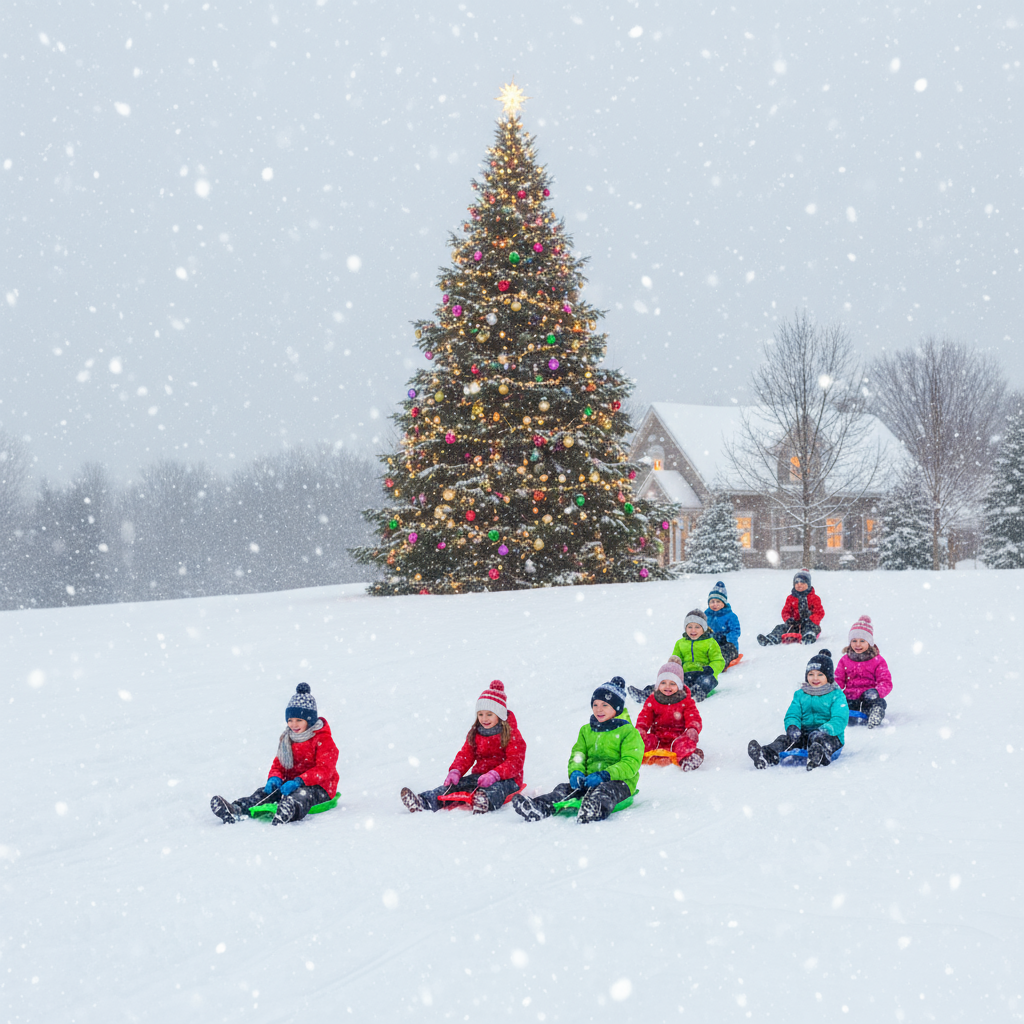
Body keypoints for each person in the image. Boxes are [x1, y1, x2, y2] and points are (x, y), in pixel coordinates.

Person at [513, 678, 643, 824]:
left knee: (605, 791)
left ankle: (593, 809)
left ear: (617, 708)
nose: (599, 709)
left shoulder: (629, 732)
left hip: (619, 782)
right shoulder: (586, 730)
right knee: (563, 789)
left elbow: (631, 762)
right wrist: (576, 772)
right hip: (588, 780)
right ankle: (539, 807)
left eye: (605, 705)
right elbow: (578, 755)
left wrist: (606, 775)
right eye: (595, 704)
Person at [210, 682, 340, 826]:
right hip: (290, 784)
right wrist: (274, 778)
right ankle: (237, 808)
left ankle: (288, 810)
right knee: (265, 793)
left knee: (304, 795)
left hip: (320, 787)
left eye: (299, 720)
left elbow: (325, 769)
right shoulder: (287, 739)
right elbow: (278, 764)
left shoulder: (323, 739)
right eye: (290, 720)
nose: (293, 725)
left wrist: (300, 781)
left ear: (309, 720)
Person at [400, 680, 526, 814]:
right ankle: (425, 801)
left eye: (489, 714)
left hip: (508, 779)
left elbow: (515, 762)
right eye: (480, 714)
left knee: (497, 789)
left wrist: (495, 774)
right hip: (479, 776)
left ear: (499, 715)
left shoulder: (512, 735)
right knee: (455, 786)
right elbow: (466, 754)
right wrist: (456, 771)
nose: (484, 718)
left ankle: (484, 802)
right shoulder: (476, 733)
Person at [747, 649, 848, 771]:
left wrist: (825, 729)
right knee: (785, 740)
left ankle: (819, 756)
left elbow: (840, 718)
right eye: (811, 674)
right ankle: (765, 755)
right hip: (804, 734)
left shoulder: (836, 695)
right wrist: (792, 727)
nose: (815, 678)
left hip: (829, 735)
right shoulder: (800, 694)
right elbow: (792, 714)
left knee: (821, 741)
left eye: (820, 674)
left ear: (829, 677)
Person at [628, 609, 725, 704]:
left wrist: (711, 669)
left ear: (704, 629)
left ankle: (695, 694)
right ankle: (648, 694)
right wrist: (674, 662)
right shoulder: (680, 643)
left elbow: (719, 661)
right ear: (685, 628)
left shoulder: (711, 643)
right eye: (690, 627)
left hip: (704, 673)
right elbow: (675, 659)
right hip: (686, 674)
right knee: (669, 683)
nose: (693, 630)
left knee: (705, 681)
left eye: (697, 627)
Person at [635, 662, 704, 770]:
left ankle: (689, 759)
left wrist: (692, 728)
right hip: (657, 738)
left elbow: (693, 716)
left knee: (684, 744)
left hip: (677, 737)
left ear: (679, 686)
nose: (667, 686)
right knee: (642, 741)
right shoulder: (653, 700)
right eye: (663, 683)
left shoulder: (686, 701)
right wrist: (641, 728)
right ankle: (634, 755)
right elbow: (645, 716)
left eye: (672, 683)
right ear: (658, 685)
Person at [835, 615, 892, 729]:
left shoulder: (878, 661)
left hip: (869, 696)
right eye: (854, 640)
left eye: (862, 641)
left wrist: (876, 692)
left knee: (878, 703)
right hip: (851, 696)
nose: (858, 644)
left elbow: (885, 682)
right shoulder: (845, 660)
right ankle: (843, 715)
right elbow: (838, 679)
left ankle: (875, 713)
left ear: (869, 643)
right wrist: (833, 688)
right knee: (843, 705)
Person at [756, 569, 825, 646]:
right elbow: (785, 611)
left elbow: (819, 612)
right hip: (794, 624)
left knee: (811, 628)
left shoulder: (814, 598)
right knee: (781, 627)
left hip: (809, 623)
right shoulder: (791, 598)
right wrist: (788, 619)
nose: (799, 584)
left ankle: (809, 636)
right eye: (796, 582)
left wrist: (811, 619)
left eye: (802, 582)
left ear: (808, 584)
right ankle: (772, 638)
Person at [705, 580, 741, 667]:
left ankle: (721, 662)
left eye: (718, 602)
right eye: (712, 602)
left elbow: (735, 631)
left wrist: (726, 638)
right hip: (712, 644)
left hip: (727, 645)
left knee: (725, 651)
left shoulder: (731, 616)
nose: (715, 604)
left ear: (723, 603)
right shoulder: (706, 615)